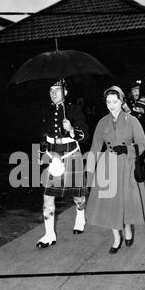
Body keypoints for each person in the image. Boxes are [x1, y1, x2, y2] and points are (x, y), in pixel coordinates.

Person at [85, 85, 145, 254]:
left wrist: (127, 150)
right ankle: (116, 238)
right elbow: (94, 147)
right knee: (109, 204)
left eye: (115, 101)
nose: (111, 105)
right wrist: (89, 173)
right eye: (108, 102)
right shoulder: (102, 122)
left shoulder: (132, 120)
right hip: (107, 166)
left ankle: (128, 229)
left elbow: (143, 145)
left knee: (126, 202)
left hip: (127, 165)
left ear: (122, 101)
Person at [36, 80, 89, 248]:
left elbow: (85, 135)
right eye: (51, 90)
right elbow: (43, 134)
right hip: (53, 156)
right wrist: (41, 152)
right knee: (47, 196)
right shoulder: (47, 110)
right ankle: (49, 234)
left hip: (72, 154)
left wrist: (72, 129)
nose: (53, 93)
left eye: (57, 90)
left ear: (65, 92)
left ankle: (80, 215)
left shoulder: (74, 109)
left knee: (77, 196)